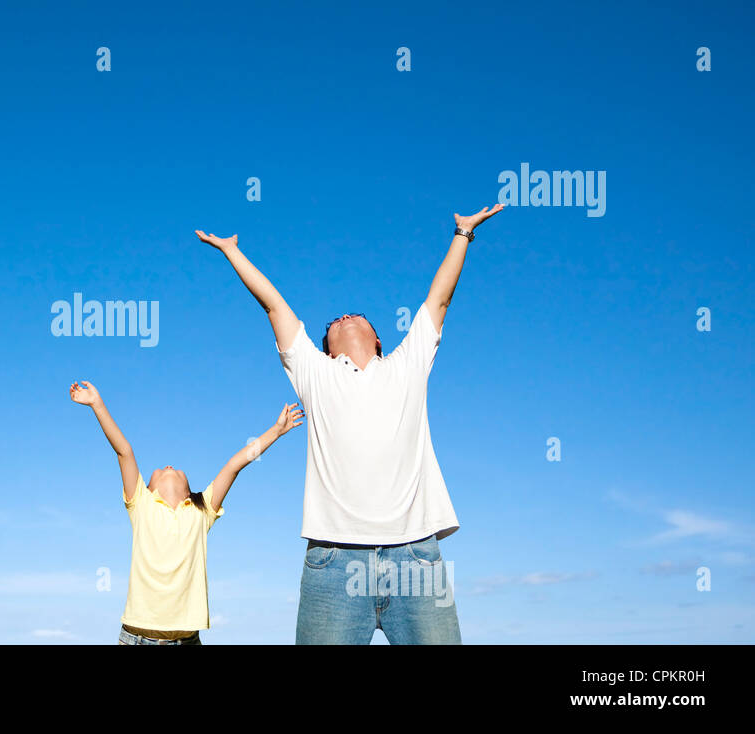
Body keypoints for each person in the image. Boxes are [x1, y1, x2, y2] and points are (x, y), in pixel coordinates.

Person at [195, 203, 504, 644]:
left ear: (379, 339)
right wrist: (231, 252)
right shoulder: (316, 373)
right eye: (333, 323)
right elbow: (274, 307)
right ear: (324, 348)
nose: (343, 317)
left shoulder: (407, 364)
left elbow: (439, 298)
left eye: (355, 315)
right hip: (332, 560)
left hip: (415, 555)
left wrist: (463, 234)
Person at [70, 380, 303, 644]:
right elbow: (124, 451)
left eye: (175, 469)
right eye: (161, 470)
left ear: (189, 491)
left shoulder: (201, 510)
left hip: (187, 640)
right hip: (136, 638)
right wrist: (97, 404)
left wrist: (276, 430)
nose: (168, 466)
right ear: (148, 488)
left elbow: (234, 465)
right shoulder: (142, 505)